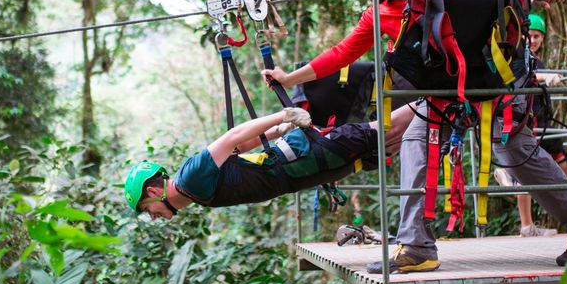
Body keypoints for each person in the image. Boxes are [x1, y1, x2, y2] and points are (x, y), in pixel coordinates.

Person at [263, 0, 567, 270]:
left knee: (516, 156)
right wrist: (289, 79)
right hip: (446, 92)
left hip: (492, 81)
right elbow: (342, 53)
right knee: (415, 139)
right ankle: (416, 247)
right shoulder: (377, 10)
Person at [124, 105, 414, 218]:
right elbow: (241, 150)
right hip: (313, 167)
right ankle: (439, 108)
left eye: (146, 210)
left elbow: (232, 137)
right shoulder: (195, 192)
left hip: (310, 154)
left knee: (390, 129)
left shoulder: (190, 177)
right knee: (391, 141)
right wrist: (278, 130)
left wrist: (284, 117)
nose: (152, 216)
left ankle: (437, 99)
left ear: (152, 192)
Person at [496, 13, 567, 237]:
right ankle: (526, 223)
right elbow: (524, 75)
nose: (533, 40)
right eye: (529, 35)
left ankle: (513, 179)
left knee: (562, 164)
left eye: (537, 36)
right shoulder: (515, 55)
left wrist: (546, 75)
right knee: (527, 168)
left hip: (543, 114)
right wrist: (544, 77)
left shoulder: (536, 58)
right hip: (528, 118)